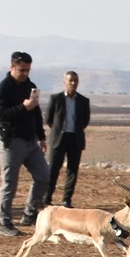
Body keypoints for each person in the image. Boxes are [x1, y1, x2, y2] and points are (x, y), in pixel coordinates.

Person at [0, 50, 48, 237]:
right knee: (9, 183)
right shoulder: (2, 89)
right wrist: (22, 107)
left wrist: (41, 136)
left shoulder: (30, 86)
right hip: (11, 141)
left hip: (30, 140)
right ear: (12, 67)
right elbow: (1, 115)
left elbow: (36, 112)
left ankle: (29, 214)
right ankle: (4, 222)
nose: (25, 74)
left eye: (27, 70)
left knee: (43, 176)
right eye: (21, 70)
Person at [43, 69, 90, 208]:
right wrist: (58, 130)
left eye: (75, 81)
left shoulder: (83, 101)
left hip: (75, 139)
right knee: (53, 170)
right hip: (59, 139)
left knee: (72, 171)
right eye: (70, 80)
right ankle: (47, 198)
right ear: (65, 82)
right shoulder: (55, 99)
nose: (73, 83)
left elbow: (85, 121)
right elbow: (49, 119)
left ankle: (67, 199)